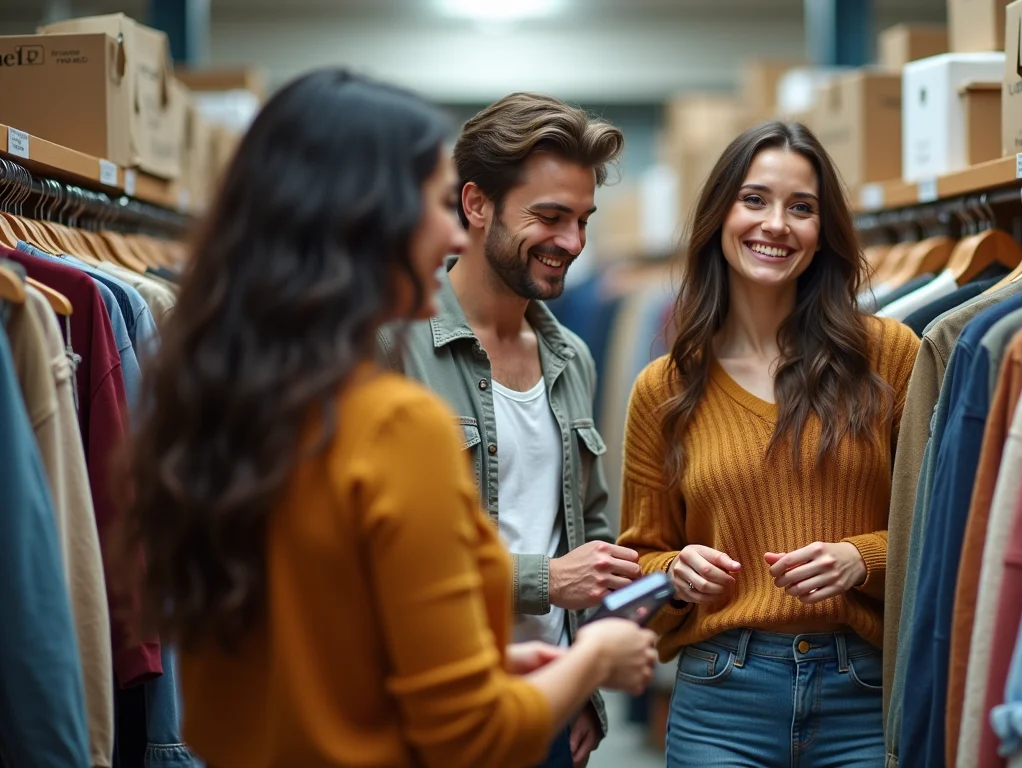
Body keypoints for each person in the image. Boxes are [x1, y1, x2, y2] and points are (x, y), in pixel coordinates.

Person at [121, 69, 657, 768]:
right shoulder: (392, 420)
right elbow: (470, 734)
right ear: (364, 218)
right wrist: (592, 662)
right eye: (433, 202)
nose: (448, 230)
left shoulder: (221, 398)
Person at [617, 121, 920, 767]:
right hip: (721, 696)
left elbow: (942, 530)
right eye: (755, 199)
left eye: (801, 207)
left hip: (864, 690)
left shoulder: (892, 356)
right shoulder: (664, 387)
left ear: (823, 231)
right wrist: (673, 572)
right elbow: (636, 558)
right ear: (720, 214)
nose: (776, 224)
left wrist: (862, 557)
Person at [378, 92, 638, 768]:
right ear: (475, 204)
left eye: (582, 220)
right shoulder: (389, 345)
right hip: (431, 706)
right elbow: (375, 554)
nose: (573, 244)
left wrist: (583, 683)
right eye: (550, 217)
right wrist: (541, 580)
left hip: (547, 702)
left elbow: (591, 531)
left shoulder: (571, 358)